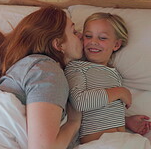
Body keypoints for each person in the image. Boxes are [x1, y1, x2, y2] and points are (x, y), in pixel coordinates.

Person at [0, 5, 83, 149]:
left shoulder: (24, 66)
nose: (81, 36)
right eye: (74, 32)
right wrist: (74, 122)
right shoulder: (46, 70)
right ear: (58, 44)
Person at [64, 12, 151, 144]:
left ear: (116, 45)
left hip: (123, 140)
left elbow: (105, 110)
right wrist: (119, 92)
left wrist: (126, 121)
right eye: (88, 36)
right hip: (97, 143)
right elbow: (79, 102)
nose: (93, 42)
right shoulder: (77, 67)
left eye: (102, 38)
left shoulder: (115, 73)